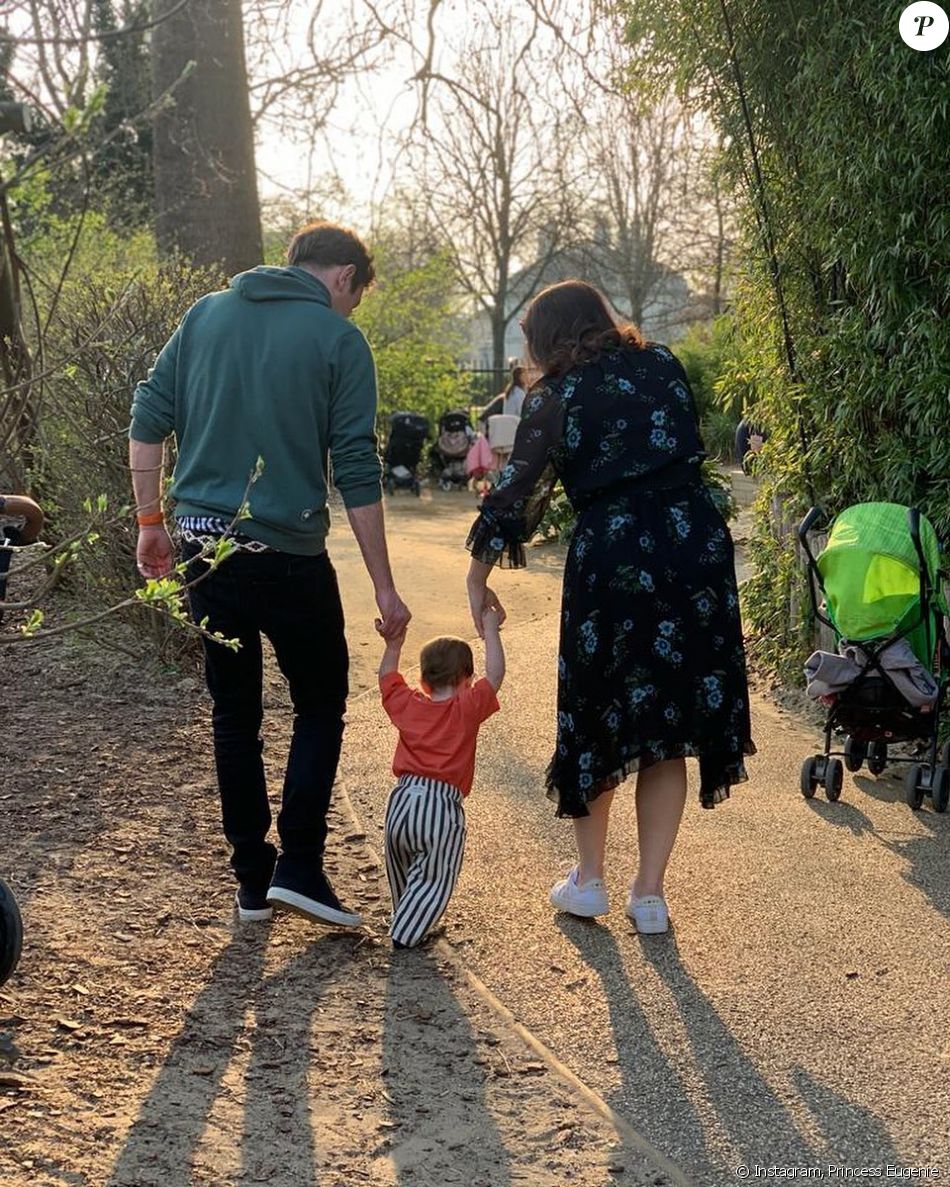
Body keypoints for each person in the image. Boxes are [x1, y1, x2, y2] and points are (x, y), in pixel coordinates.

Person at [129, 221, 411, 929]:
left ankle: (253, 880)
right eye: (354, 298)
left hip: (201, 547)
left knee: (235, 708)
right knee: (319, 702)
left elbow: (147, 416)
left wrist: (150, 520)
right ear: (344, 276)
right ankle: (302, 864)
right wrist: (382, 583)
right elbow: (355, 466)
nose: (349, 312)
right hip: (284, 553)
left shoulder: (204, 315)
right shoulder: (338, 339)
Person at [465, 280, 754, 934]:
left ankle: (589, 880)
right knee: (667, 722)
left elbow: (515, 494)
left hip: (615, 556)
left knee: (598, 717)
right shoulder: (663, 364)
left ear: (548, 338)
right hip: (691, 546)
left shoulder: (556, 397)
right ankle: (649, 893)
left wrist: (476, 577)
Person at [378, 611, 504, 948]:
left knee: (403, 869)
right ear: (466, 678)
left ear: (423, 680)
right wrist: (491, 630)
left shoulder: (409, 704)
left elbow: (387, 678)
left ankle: (406, 917)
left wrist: (393, 645)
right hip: (440, 806)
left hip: (401, 802)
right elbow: (495, 675)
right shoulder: (465, 707)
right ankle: (406, 934)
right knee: (435, 875)